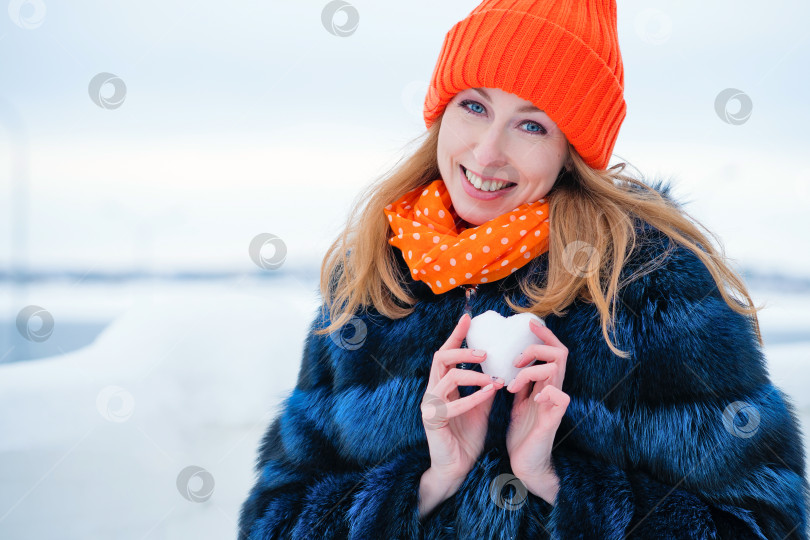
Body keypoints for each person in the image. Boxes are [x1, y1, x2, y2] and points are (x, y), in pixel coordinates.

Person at [238, 0, 809, 538]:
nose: (488, 153)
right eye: (475, 106)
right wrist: (426, 485)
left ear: (571, 150)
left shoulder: (648, 286)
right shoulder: (371, 279)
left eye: (531, 125)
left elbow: (770, 523)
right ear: (443, 111)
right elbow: (271, 518)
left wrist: (559, 485)